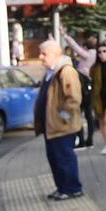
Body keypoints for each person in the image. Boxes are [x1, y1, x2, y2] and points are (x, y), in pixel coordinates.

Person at [35, 40, 83, 201]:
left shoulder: (65, 71)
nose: (40, 57)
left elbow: (73, 99)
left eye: (44, 54)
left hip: (61, 127)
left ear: (55, 54)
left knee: (64, 158)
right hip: (51, 126)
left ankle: (72, 188)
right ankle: (62, 187)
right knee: (55, 158)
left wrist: (62, 119)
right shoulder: (51, 71)